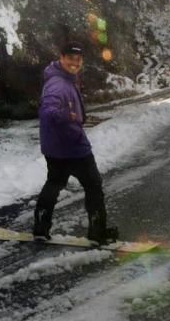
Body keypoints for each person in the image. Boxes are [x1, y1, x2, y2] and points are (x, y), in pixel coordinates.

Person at [33, 42, 119, 245]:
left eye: (78, 59)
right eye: (70, 58)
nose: (75, 62)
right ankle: (98, 234)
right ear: (61, 58)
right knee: (93, 185)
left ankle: (40, 228)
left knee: (54, 183)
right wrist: (66, 116)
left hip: (55, 146)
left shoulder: (63, 79)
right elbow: (47, 111)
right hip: (72, 146)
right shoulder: (58, 83)